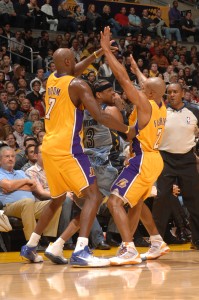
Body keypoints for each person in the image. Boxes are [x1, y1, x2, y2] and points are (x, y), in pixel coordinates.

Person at [20, 47, 134, 267]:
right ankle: (81, 250)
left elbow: (74, 70)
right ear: (68, 60)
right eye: (74, 60)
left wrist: (99, 53)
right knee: (93, 196)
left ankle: (31, 246)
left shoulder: (53, 78)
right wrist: (126, 129)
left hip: (49, 147)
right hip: (69, 149)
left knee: (57, 199)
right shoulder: (79, 85)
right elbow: (100, 115)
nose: (79, 64)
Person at [100, 27, 169, 265]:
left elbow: (124, 81)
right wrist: (138, 69)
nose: (139, 89)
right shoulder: (160, 102)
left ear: (148, 93)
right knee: (137, 203)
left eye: (143, 89)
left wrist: (107, 52)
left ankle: (128, 249)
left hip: (141, 159)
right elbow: (143, 83)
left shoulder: (145, 104)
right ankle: (157, 241)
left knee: (114, 201)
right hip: (155, 160)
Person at [152, 83, 199, 250]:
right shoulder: (161, 111)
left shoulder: (194, 111)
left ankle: (197, 240)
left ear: (183, 93)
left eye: (175, 92)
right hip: (165, 159)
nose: (171, 95)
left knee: (194, 200)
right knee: (162, 199)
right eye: (169, 92)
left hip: (187, 159)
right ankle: (157, 242)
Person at [0, 146, 61, 257]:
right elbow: (8, 186)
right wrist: (25, 181)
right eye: (7, 156)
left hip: (31, 205)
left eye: (13, 156)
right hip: (9, 207)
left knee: (56, 202)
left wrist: (13, 186)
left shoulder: (20, 172)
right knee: (27, 202)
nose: (11, 159)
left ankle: (47, 238)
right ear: (0, 160)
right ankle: (32, 243)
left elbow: (32, 187)